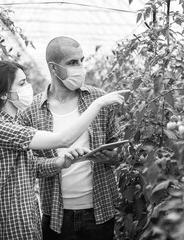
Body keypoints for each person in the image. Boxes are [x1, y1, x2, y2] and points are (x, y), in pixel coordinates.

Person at [0, 60, 127, 240]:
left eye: (26, 81)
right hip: (13, 221)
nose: (28, 87)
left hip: (27, 217)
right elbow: (63, 139)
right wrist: (97, 104)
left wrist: (62, 162)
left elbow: (31, 167)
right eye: (21, 83)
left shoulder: (11, 123)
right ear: (3, 95)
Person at [21, 36, 125, 240]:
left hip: (100, 212)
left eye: (81, 61)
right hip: (56, 216)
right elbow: (31, 166)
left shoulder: (98, 99)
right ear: (54, 68)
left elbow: (119, 149)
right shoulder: (32, 111)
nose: (79, 67)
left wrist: (111, 156)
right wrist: (60, 163)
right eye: (71, 63)